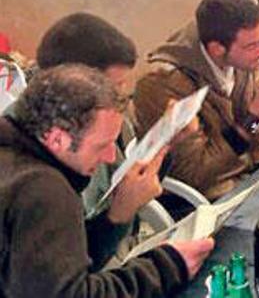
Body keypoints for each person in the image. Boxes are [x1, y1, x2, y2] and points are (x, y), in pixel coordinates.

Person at [0, 64, 214, 297]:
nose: (111, 156)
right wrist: (168, 266)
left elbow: (54, 269)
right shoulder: (42, 189)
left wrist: (117, 216)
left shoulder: (15, 159)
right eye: (102, 145)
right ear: (57, 139)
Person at [31, 13, 174, 269]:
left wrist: (166, 144)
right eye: (114, 85)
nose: (121, 98)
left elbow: (128, 184)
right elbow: (70, 274)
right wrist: (118, 215)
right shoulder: (37, 168)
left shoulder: (107, 119)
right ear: (75, 86)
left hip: (123, 251)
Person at [133, 0, 259, 201]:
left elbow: (258, 133)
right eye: (252, 45)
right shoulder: (164, 85)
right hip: (204, 195)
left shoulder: (244, 60)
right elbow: (195, 173)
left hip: (242, 176)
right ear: (216, 49)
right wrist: (254, 116)